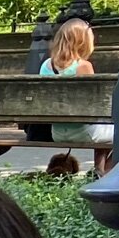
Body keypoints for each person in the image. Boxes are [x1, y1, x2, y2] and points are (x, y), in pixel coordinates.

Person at [38, 16, 113, 174]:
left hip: (57, 133)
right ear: (83, 42)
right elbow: (97, 104)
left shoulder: (46, 65)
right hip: (84, 132)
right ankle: (103, 172)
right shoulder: (83, 66)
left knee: (104, 128)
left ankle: (98, 170)